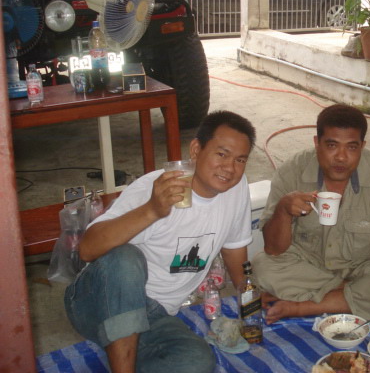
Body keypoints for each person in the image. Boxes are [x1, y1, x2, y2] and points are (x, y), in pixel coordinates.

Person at [64, 111, 256, 373]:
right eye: (222, 154)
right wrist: (152, 210)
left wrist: (251, 299)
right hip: (99, 299)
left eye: (240, 160)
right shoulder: (154, 188)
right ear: (196, 150)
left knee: (197, 363)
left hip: (155, 313)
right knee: (125, 257)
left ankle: (121, 347)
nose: (230, 168)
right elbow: (87, 249)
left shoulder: (236, 187)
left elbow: (234, 248)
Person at [253, 104, 370, 324]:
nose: (341, 157)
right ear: (317, 143)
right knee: (263, 267)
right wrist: (284, 210)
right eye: (332, 145)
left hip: (368, 266)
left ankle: (304, 306)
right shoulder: (291, 171)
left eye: (352, 147)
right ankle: (349, 296)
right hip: (311, 264)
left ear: (362, 146)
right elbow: (273, 249)